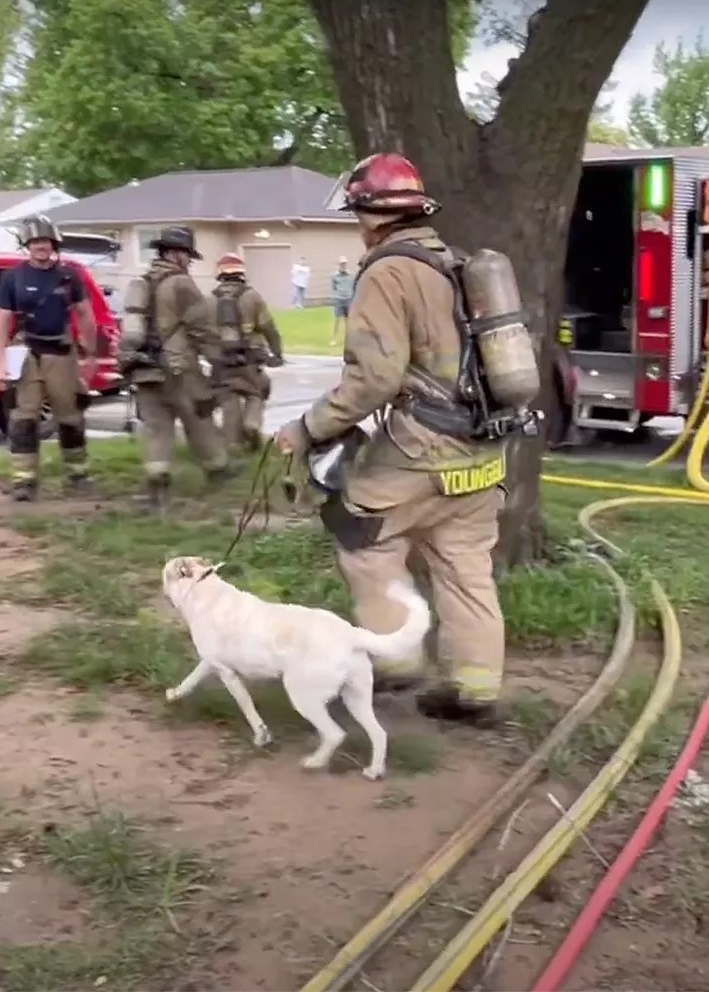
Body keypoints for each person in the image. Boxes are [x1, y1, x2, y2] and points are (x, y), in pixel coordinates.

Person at [275, 153, 509, 726]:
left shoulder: (386, 271)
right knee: (465, 566)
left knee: (362, 538)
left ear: (370, 214)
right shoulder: (452, 263)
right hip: (482, 449)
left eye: (356, 213)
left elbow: (374, 379)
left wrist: (306, 429)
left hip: (423, 448)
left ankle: (396, 659)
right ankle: (474, 687)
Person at [0, 214, 95, 502]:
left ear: (54, 244)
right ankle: (24, 481)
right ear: (27, 245)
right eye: (35, 241)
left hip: (61, 353)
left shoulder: (69, 276)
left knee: (69, 415)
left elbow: (85, 314)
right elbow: (0, 320)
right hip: (25, 354)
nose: (41, 246)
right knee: (24, 416)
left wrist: (91, 352)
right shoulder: (13, 278)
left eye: (46, 241)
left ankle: (78, 474)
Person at [124, 226, 229, 508]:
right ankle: (218, 470)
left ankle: (158, 480)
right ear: (175, 254)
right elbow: (201, 328)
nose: (189, 262)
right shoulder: (181, 284)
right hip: (179, 367)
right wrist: (218, 359)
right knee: (200, 417)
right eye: (187, 255)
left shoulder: (142, 282)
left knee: (157, 428)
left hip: (143, 368)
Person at [210, 252, 284, 453]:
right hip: (251, 362)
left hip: (223, 364)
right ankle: (252, 424)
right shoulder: (252, 297)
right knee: (256, 394)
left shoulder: (210, 299)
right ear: (241, 273)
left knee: (229, 402)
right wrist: (277, 353)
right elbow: (269, 328)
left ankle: (231, 446)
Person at [330, 257, 354, 346]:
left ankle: (349, 339)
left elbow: (352, 286)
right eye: (342, 264)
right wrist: (336, 296)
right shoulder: (335, 276)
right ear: (339, 265)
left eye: (344, 264)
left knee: (348, 320)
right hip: (339, 300)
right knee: (337, 319)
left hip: (348, 299)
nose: (343, 266)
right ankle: (334, 339)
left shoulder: (350, 275)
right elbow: (333, 288)